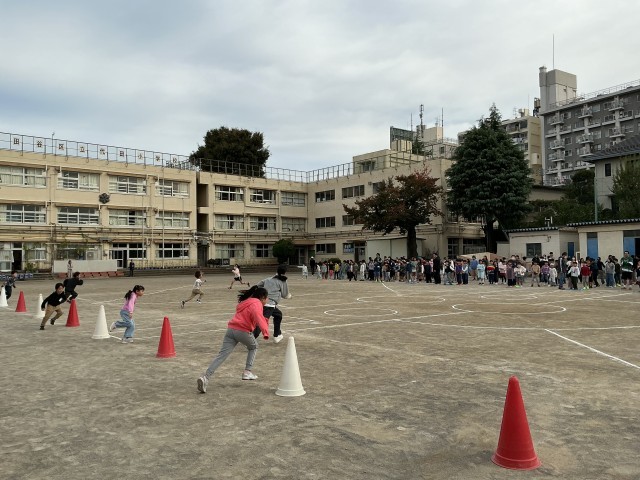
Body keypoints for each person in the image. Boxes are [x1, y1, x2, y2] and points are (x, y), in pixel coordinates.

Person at [196, 286, 270, 393]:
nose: (267, 300)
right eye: (267, 298)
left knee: (221, 356)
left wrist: (264, 320)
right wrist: (265, 332)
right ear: (262, 297)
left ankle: (205, 377)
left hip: (231, 330)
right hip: (243, 331)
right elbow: (258, 316)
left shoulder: (246, 302)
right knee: (254, 347)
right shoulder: (256, 303)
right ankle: (247, 372)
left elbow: (255, 316)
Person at [253, 265, 290, 344]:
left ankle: (277, 335)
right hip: (269, 305)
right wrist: (289, 296)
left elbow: (258, 285)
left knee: (278, 315)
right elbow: (284, 295)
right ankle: (251, 339)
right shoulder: (283, 281)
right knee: (262, 322)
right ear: (285, 272)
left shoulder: (268, 279)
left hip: (264, 303)